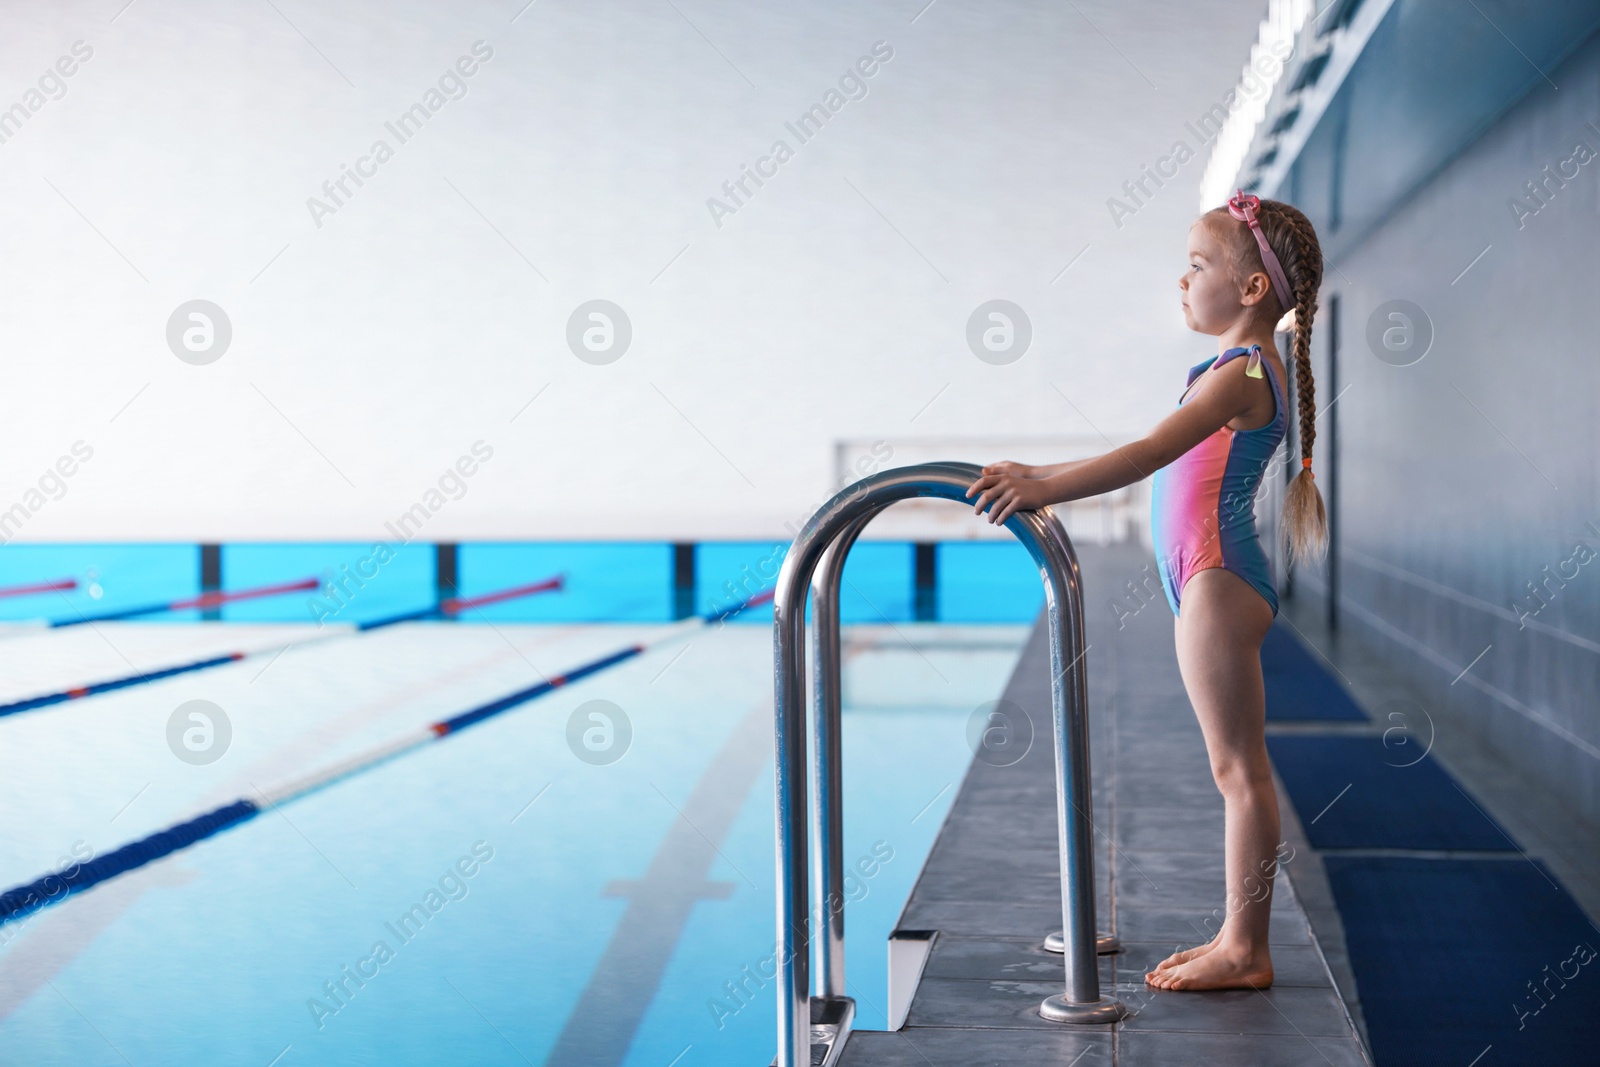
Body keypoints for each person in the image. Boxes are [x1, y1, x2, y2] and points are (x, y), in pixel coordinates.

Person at [965, 191, 1328, 991]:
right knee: (1233, 768)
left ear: (1252, 290)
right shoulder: (1231, 369)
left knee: (1240, 771)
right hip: (1209, 575)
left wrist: (1042, 481)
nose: (1182, 280)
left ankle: (1246, 949)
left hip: (1217, 579)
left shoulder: (1241, 372)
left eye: (1197, 265)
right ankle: (1238, 938)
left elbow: (1147, 453)